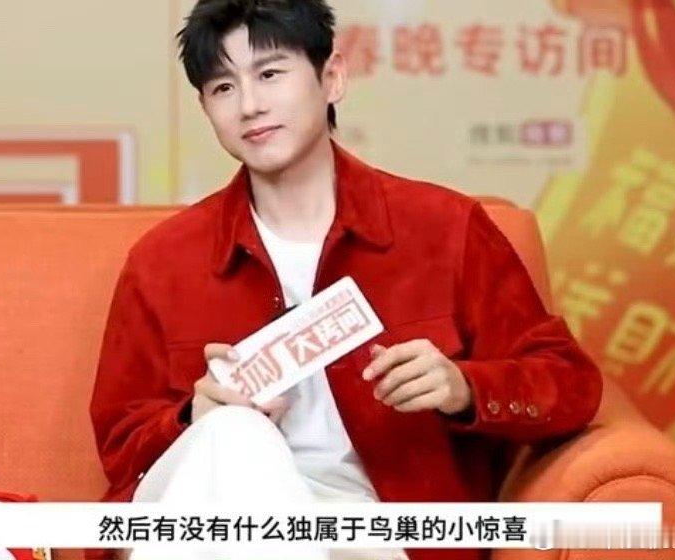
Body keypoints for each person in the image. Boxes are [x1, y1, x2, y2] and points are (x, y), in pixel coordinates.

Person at [87, 1, 603, 559]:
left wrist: (464, 387)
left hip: (365, 534)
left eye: (270, 74)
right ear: (205, 108)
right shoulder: (163, 261)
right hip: (202, 509)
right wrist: (193, 418)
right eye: (223, 88)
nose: (250, 105)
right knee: (233, 435)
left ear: (331, 77)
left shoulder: (444, 230)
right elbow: (121, 448)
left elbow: (569, 383)